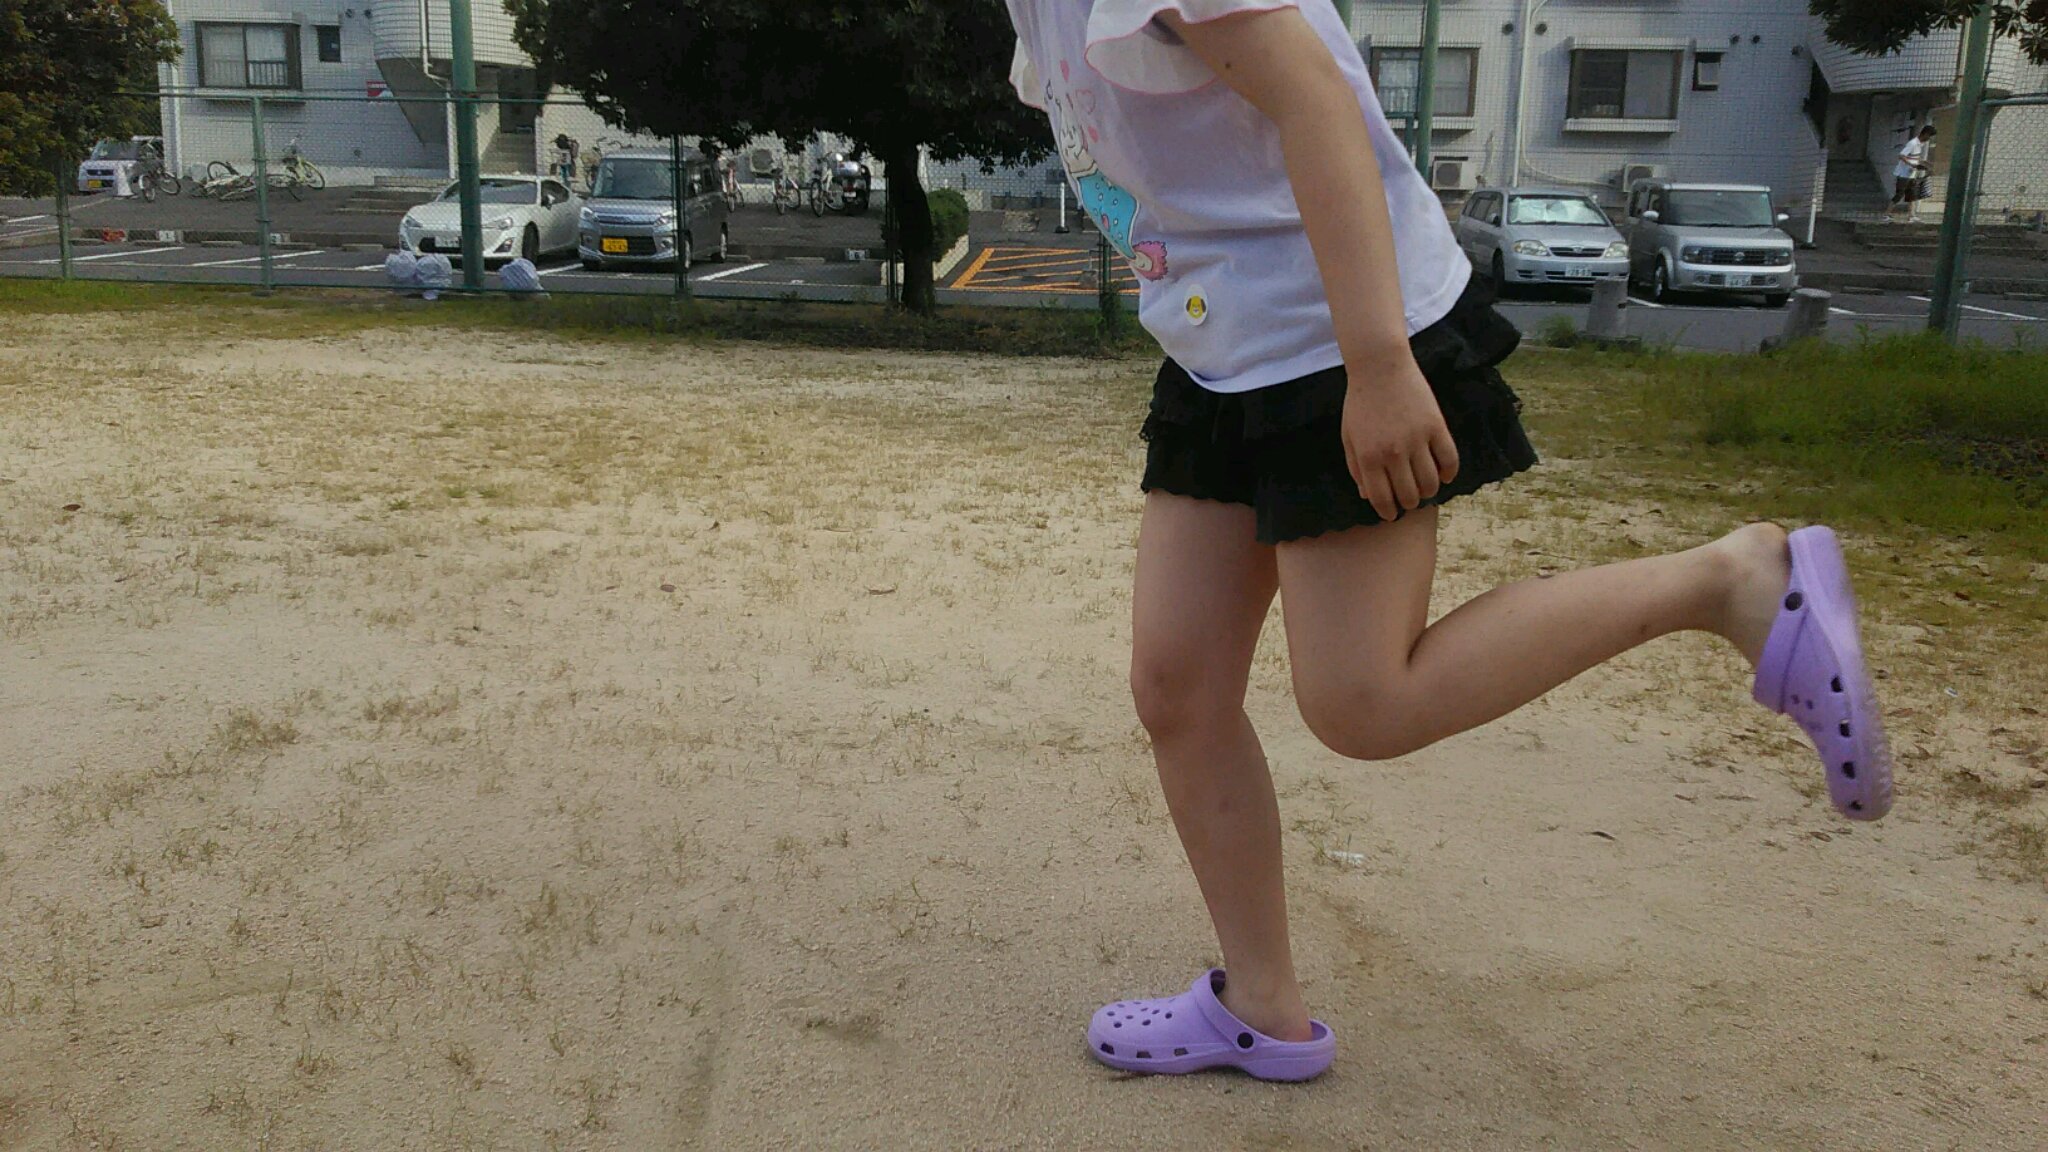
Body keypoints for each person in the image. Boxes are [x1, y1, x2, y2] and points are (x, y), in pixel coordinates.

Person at [1003, 0, 1895, 1083]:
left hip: (1337, 335)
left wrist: (1380, 366)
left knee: (1364, 702)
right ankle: (1261, 1008)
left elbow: (1315, 99)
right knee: (1177, 688)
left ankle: (1728, 581)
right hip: (1223, 341)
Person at [1890, 124, 1938, 221]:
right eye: (1929, 136)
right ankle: (1887, 214)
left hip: (1911, 174)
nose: (1929, 139)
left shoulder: (1920, 144)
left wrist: (1926, 163)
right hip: (1903, 174)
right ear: (1925, 134)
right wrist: (1912, 165)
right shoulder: (1913, 143)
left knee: (1912, 195)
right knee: (1899, 195)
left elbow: (1915, 157)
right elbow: (1901, 156)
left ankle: (1911, 215)